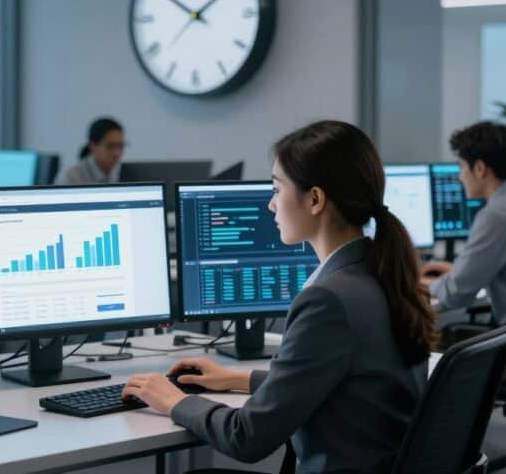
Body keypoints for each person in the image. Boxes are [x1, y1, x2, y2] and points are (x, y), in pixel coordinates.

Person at [122, 120, 434, 474]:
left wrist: (176, 401)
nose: (271, 205)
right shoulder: (377, 273)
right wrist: (240, 379)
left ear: (315, 199)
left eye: (276, 188)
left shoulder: (329, 300)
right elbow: (345, 381)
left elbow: (247, 438)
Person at [422, 121, 506, 385]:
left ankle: (436, 426)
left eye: (461, 167)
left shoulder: (499, 215)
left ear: (480, 168)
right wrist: (455, 271)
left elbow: (457, 293)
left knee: (421, 347)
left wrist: (423, 286)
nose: (459, 176)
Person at [57, 117, 125, 185]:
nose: (117, 153)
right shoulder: (71, 176)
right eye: (110, 146)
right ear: (93, 146)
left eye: (121, 146)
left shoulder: (127, 172)